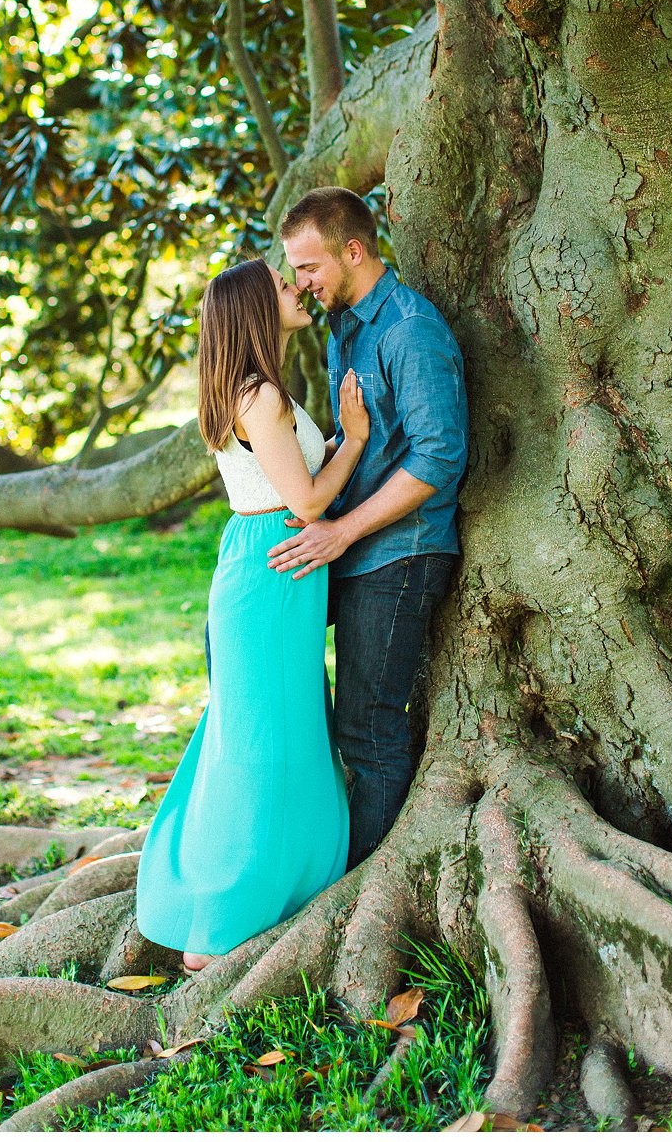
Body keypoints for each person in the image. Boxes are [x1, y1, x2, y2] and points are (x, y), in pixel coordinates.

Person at [136, 258, 367, 971]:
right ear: (253, 311)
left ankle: (273, 887)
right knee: (259, 740)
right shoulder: (259, 395)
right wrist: (353, 438)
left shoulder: (251, 391)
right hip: (272, 569)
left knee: (284, 727)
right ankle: (217, 917)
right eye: (280, 283)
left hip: (272, 569)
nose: (295, 287)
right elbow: (306, 503)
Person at [269, 187, 468, 867]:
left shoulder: (411, 328)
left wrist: (341, 530)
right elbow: (362, 438)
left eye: (309, 267)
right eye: (294, 271)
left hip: (400, 554)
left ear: (353, 251)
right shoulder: (344, 325)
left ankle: (361, 895)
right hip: (349, 546)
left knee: (370, 733)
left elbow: (439, 454)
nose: (300, 283)